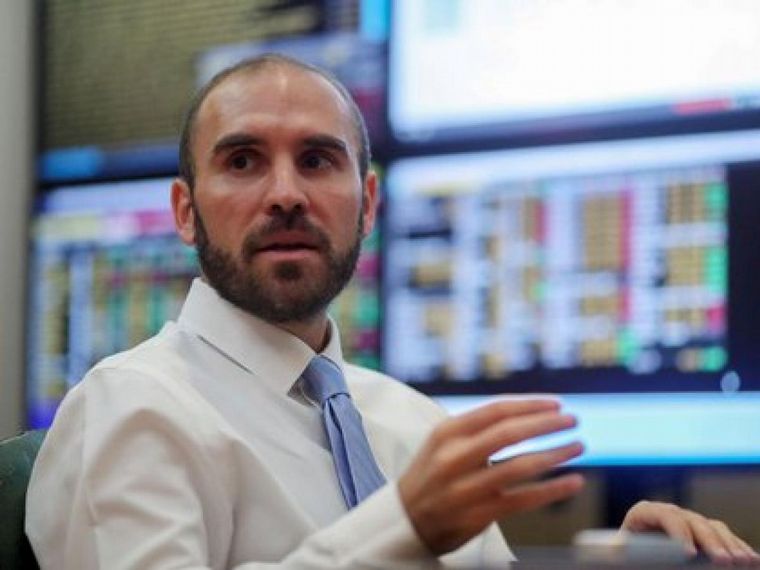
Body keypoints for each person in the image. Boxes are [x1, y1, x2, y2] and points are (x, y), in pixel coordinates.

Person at [26, 54, 758, 569]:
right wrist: (400, 529)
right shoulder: (130, 408)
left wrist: (625, 557)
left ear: (368, 204)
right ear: (185, 212)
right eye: (243, 160)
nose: (286, 194)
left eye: (318, 160)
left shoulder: (415, 424)